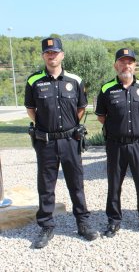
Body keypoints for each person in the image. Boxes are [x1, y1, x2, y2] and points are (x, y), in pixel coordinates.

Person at [24, 37, 98, 249]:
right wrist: (44, 125)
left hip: (70, 140)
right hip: (45, 142)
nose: (51, 55)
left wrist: (68, 126)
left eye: (55, 52)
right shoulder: (33, 81)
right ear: (43, 56)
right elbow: (31, 110)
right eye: (48, 53)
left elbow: (81, 108)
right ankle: (46, 226)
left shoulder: (74, 80)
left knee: (76, 183)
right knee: (46, 186)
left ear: (62, 55)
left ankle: (83, 224)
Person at [95, 48, 139, 237]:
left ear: (135, 65)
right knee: (114, 183)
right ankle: (114, 221)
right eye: (122, 62)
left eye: (130, 62)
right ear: (116, 65)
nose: (126, 65)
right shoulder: (107, 89)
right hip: (116, 144)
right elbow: (101, 117)